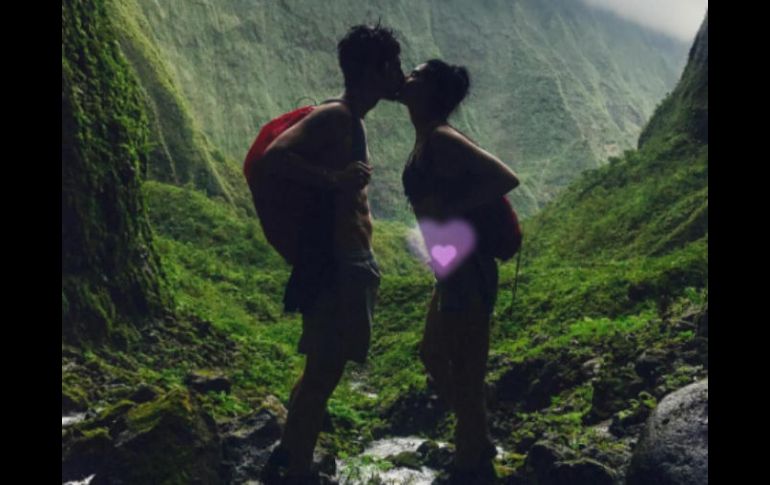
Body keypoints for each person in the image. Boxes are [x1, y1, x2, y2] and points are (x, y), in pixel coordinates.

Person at [259, 24, 404, 484]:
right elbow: (274, 157)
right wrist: (332, 180)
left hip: (348, 262)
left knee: (322, 368)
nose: (399, 75)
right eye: (394, 66)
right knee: (324, 374)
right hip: (340, 264)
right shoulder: (337, 116)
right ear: (378, 70)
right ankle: (296, 469)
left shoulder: (351, 120)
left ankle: (288, 455)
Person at [399, 59, 520, 484]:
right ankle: (476, 436)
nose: (406, 78)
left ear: (431, 91)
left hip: (468, 269)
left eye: (415, 75)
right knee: (435, 354)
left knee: (465, 367)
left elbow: (505, 177)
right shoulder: (426, 139)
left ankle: (474, 459)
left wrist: (452, 211)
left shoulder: (443, 138)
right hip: (451, 269)